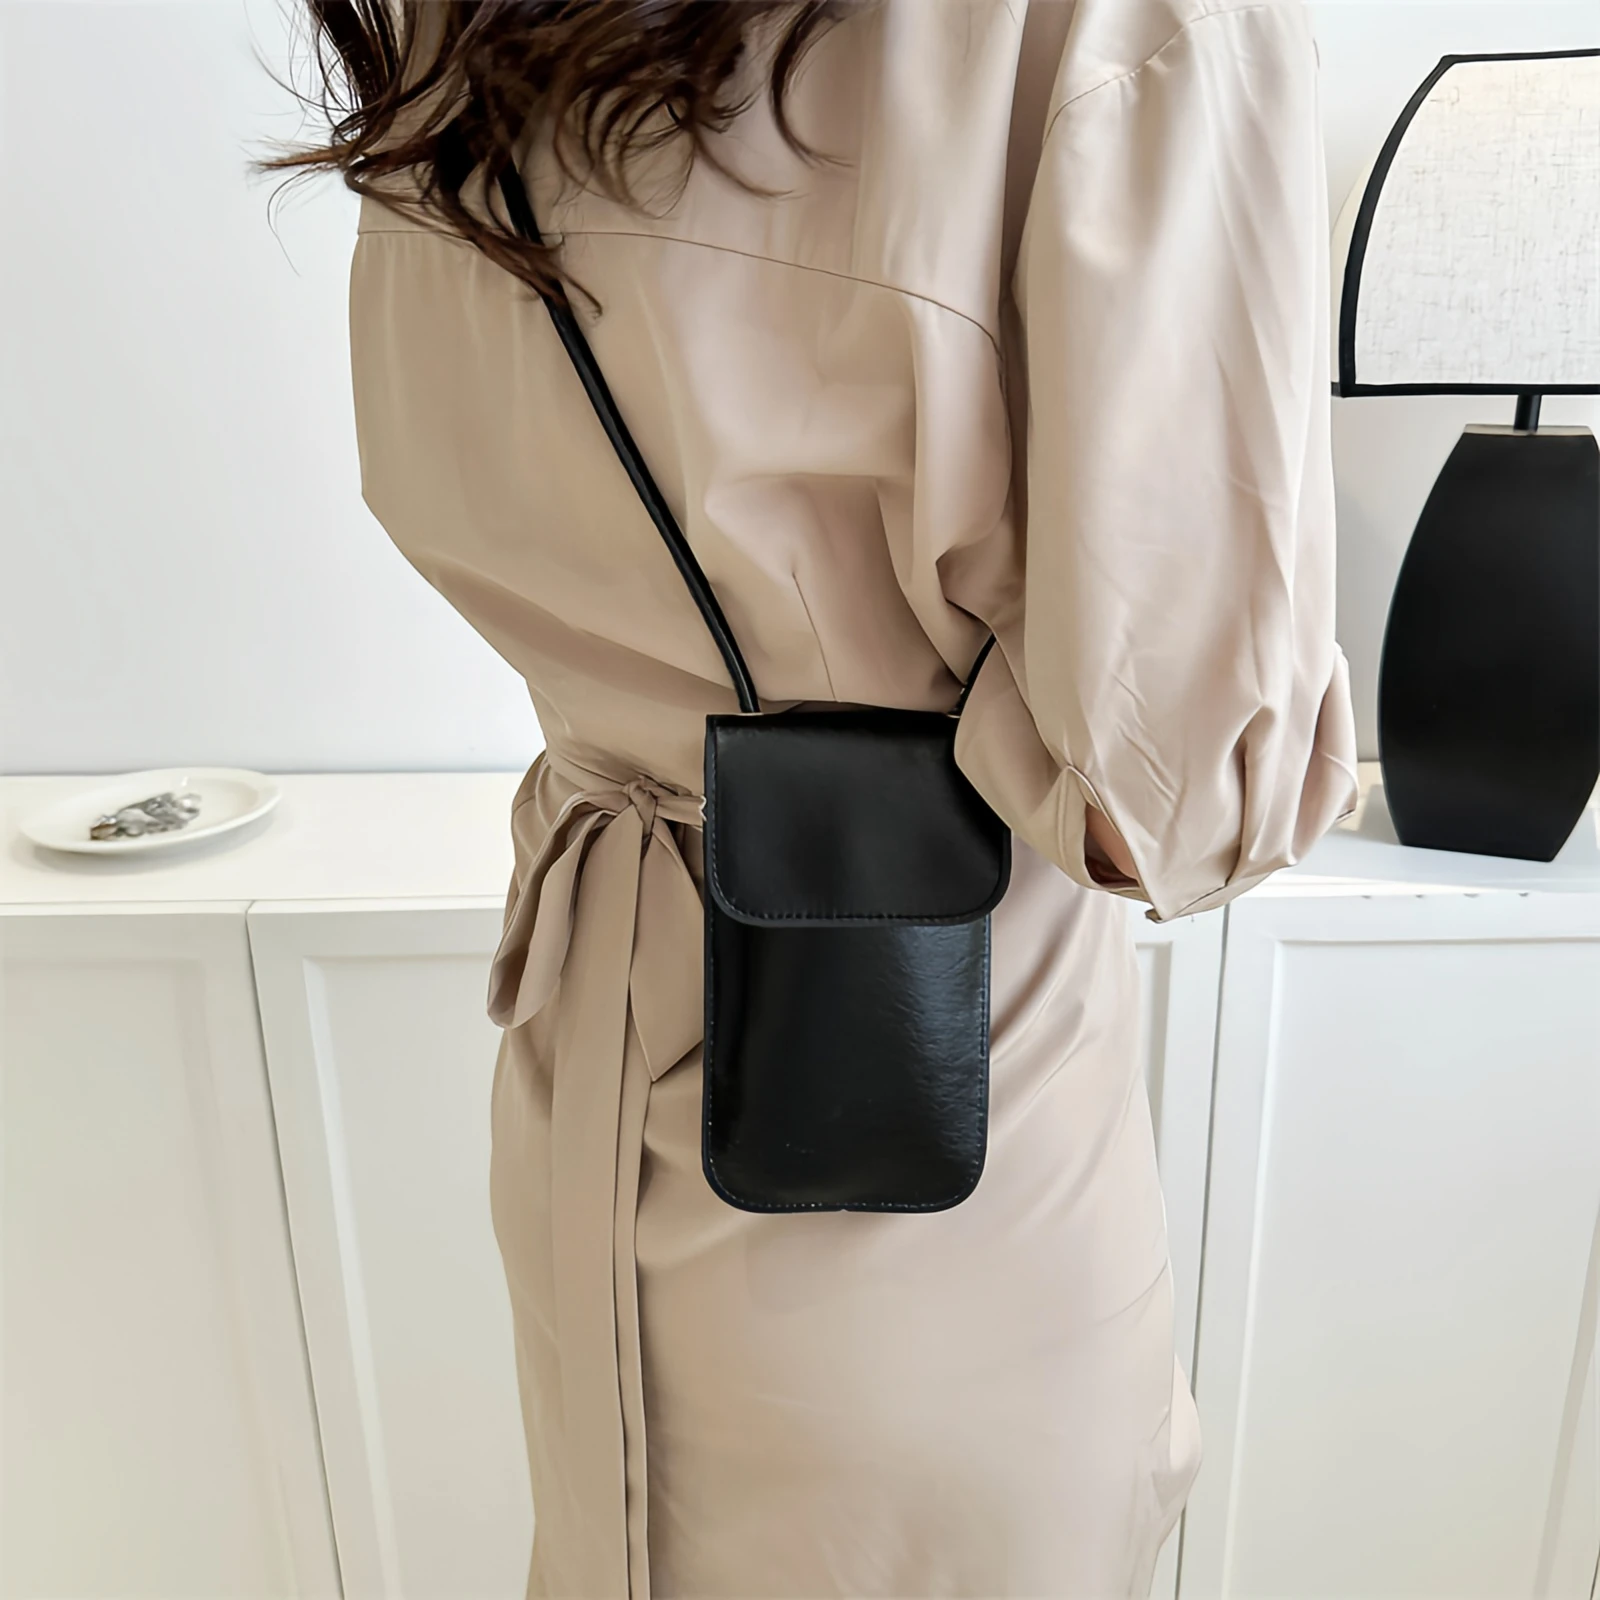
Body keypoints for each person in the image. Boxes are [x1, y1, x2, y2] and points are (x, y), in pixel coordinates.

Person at [277, 1, 1359, 1593]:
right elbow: (1175, 799)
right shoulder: (1124, 23)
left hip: (587, 1091)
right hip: (934, 1186)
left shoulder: (460, 22)